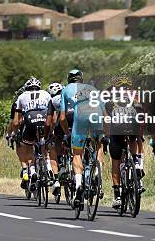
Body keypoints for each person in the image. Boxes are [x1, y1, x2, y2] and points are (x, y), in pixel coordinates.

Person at [59, 69, 110, 206]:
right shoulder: (92, 88)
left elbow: (62, 117)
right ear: (82, 79)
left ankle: (79, 185)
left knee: (77, 153)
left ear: (69, 79)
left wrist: (67, 134)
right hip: (96, 113)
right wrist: (106, 135)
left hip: (80, 113)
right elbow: (105, 115)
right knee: (98, 144)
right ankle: (97, 175)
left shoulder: (65, 90)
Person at [105, 76, 144, 210]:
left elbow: (106, 119)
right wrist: (140, 134)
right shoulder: (135, 97)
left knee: (116, 161)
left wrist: (106, 136)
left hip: (116, 130)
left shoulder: (111, 99)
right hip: (132, 128)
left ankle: (117, 195)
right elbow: (141, 116)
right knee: (133, 138)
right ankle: (136, 164)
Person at [12, 77, 52, 190]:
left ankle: (33, 171)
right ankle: (48, 168)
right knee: (44, 145)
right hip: (44, 119)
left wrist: (15, 134)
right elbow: (52, 114)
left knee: (29, 147)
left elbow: (16, 121)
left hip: (29, 119)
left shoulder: (22, 96)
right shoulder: (46, 94)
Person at [45, 82, 64, 197]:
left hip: (62, 125)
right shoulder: (71, 95)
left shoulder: (53, 100)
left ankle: (56, 179)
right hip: (77, 124)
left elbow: (49, 121)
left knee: (53, 148)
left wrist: (47, 135)